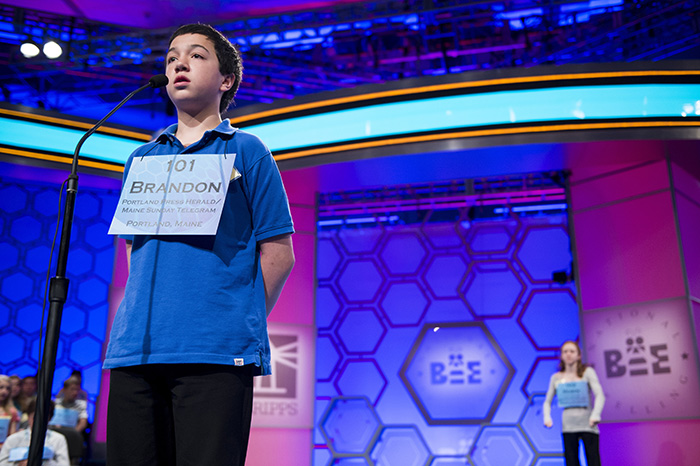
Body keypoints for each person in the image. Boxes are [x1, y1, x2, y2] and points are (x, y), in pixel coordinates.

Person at [103, 23, 295, 466]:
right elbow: (135, 249)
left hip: (215, 352)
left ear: (226, 80)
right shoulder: (142, 157)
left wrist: (231, 318)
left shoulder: (247, 150)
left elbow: (278, 254)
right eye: (171, 58)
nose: (178, 65)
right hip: (136, 349)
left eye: (195, 55)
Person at [543, 340, 605, 466]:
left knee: (593, 460)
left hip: (588, 424)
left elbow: (600, 395)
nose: (568, 354)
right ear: (561, 355)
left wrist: (596, 414)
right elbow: (547, 401)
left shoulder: (587, 372)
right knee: (571, 461)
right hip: (568, 426)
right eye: (565, 351)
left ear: (578, 355)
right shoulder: (556, 377)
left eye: (572, 351)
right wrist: (547, 416)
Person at [0, 400, 69, 466]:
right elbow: (2, 463)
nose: (38, 422)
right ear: (28, 416)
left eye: (43, 418)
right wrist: (18, 465)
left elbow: (64, 464)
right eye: (34, 417)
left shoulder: (58, 439)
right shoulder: (13, 439)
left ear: (50, 418)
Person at [0, 376, 19, 448]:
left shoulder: (12, 412)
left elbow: (12, 436)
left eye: (7, 388)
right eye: (1, 387)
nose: (4, 391)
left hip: (3, 450)